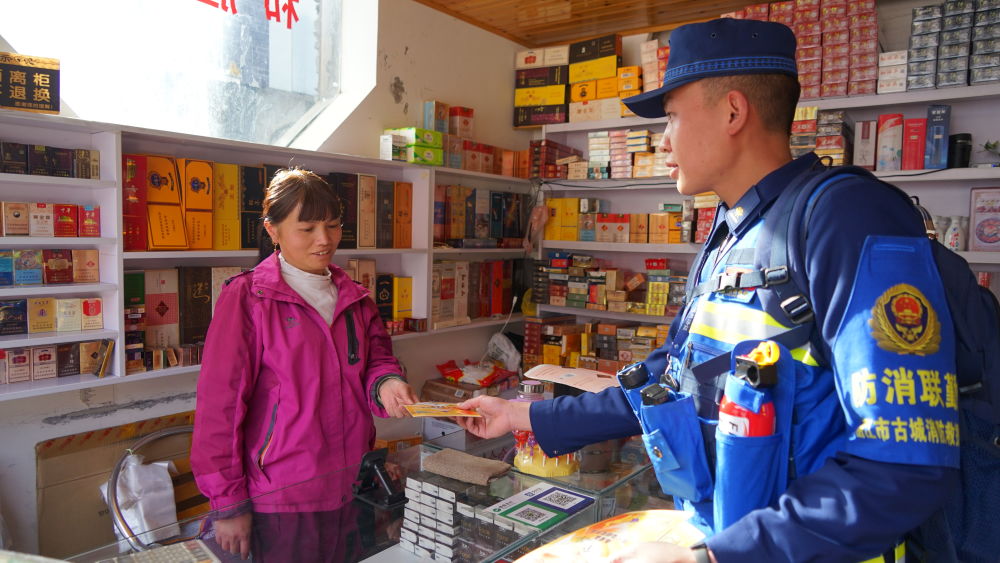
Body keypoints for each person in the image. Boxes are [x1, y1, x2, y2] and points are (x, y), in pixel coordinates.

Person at [459, 18, 961, 563]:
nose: (663, 140)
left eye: (673, 116)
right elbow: (673, 379)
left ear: (733, 112)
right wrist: (525, 416)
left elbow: (905, 464)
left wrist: (716, 557)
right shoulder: (733, 230)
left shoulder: (848, 218)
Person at [191, 168, 418, 560]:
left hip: (352, 484)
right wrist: (228, 504)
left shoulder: (356, 298)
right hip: (283, 496)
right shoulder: (248, 298)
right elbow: (219, 408)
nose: (324, 240)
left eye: (332, 226)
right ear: (273, 230)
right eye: (307, 228)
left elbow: (376, 361)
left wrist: (387, 382)